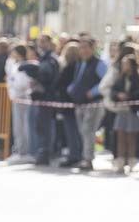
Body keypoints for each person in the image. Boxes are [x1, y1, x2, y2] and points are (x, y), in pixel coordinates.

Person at [67, 37, 107, 171]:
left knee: (88, 130)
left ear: (92, 48)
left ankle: (88, 159)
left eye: (86, 47)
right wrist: (72, 88)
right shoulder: (80, 63)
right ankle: (85, 157)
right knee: (82, 131)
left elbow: (105, 82)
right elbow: (77, 79)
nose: (83, 50)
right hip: (80, 103)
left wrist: (93, 91)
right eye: (81, 48)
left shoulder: (99, 63)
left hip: (94, 103)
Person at [20, 33, 59, 166]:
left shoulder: (51, 59)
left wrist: (35, 72)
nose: (41, 44)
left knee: (45, 127)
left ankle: (45, 153)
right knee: (40, 126)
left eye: (44, 41)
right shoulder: (43, 58)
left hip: (47, 98)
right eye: (39, 41)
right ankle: (41, 152)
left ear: (50, 43)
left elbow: (46, 75)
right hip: (40, 98)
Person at [56, 40, 83, 168]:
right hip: (75, 103)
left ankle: (74, 155)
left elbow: (61, 85)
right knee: (77, 131)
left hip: (68, 104)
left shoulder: (69, 68)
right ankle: (77, 154)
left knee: (72, 131)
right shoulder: (79, 67)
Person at [111, 54, 139, 173]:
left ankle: (132, 161)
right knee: (120, 136)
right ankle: (120, 161)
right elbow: (113, 91)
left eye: (126, 64)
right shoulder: (120, 78)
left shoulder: (136, 78)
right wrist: (118, 95)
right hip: (121, 111)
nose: (124, 66)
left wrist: (129, 96)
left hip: (132, 111)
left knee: (131, 137)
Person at [6, 43, 34, 163]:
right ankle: (18, 149)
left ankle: (23, 151)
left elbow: (21, 83)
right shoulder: (15, 65)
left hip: (22, 98)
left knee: (22, 125)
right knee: (17, 126)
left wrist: (13, 84)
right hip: (16, 98)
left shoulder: (24, 66)